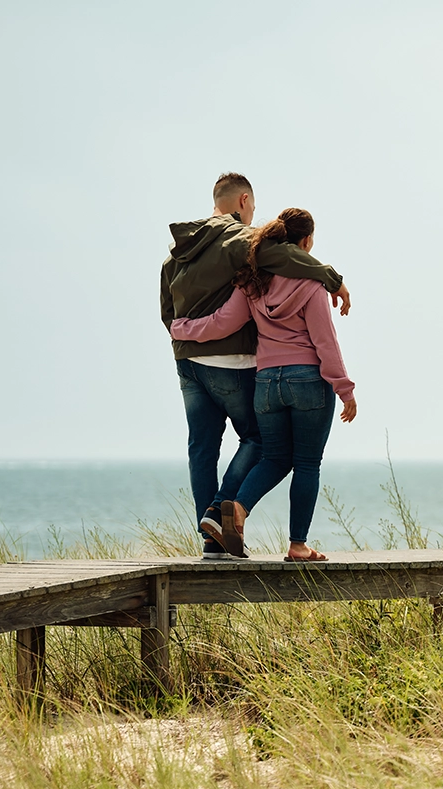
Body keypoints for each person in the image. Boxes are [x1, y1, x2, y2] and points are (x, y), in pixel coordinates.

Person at [162, 173, 352, 559]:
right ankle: (228, 516)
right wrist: (332, 279)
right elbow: (291, 264)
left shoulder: (178, 253)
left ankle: (213, 540)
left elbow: (174, 310)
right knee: (268, 446)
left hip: (194, 361)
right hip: (240, 365)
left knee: (202, 448)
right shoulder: (244, 241)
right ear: (244, 201)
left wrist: (181, 332)